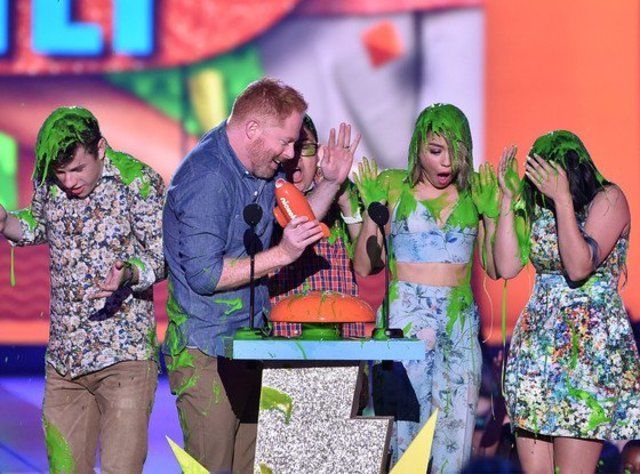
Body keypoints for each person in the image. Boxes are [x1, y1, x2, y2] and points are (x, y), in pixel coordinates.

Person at [162, 78, 358, 472]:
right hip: (206, 352)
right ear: (252, 129)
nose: (290, 154)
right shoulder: (207, 178)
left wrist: (333, 183)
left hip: (249, 346)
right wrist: (282, 254)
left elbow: (298, 223)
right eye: (285, 142)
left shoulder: (259, 167)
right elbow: (205, 275)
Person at [0, 106, 165, 473]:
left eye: (77, 169)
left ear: (100, 148)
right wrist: (7, 221)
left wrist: (129, 273)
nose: (69, 181)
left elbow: (163, 256)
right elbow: (38, 225)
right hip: (65, 361)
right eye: (61, 173)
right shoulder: (51, 179)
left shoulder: (136, 182)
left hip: (123, 359)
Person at [353, 103, 499, 472]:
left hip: (457, 328)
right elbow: (366, 266)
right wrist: (371, 210)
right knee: (404, 443)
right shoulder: (393, 185)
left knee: (455, 440)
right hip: (405, 325)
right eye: (435, 151)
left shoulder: (474, 190)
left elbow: (498, 267)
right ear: (418, 147)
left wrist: (495, 213)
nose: (446, 162)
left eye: (456, 151)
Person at [494, 130, 640, 473]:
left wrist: (562, 201)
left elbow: (579, 266)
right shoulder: (538, 205)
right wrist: (507, 201)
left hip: (585, 352)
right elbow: (506, 266)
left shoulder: (609, 198)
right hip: (537, 348)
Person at [269, 114, 364, 337]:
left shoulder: (341, 192)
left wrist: (346, 201)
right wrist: (331, 184)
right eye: (287, 145)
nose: (295, 157)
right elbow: (299, 221)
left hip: (341, 333)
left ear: (319, 152)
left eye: (305, 148)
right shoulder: (263, 199)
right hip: (284, 336)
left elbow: (370, 266)